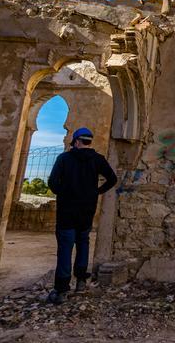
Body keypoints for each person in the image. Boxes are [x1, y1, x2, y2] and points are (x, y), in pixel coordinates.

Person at [46, 127, 117, 304]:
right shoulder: (98, 159)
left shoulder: (64, 158)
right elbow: (112, 179)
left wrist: (65, 193)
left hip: (67, 212)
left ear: (77, 141)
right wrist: (96, 192)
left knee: (65, 247)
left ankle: (62, 290)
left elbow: (53, 183)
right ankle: (81, 282)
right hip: (86, 210)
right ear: (88, 141)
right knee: (83, 243)